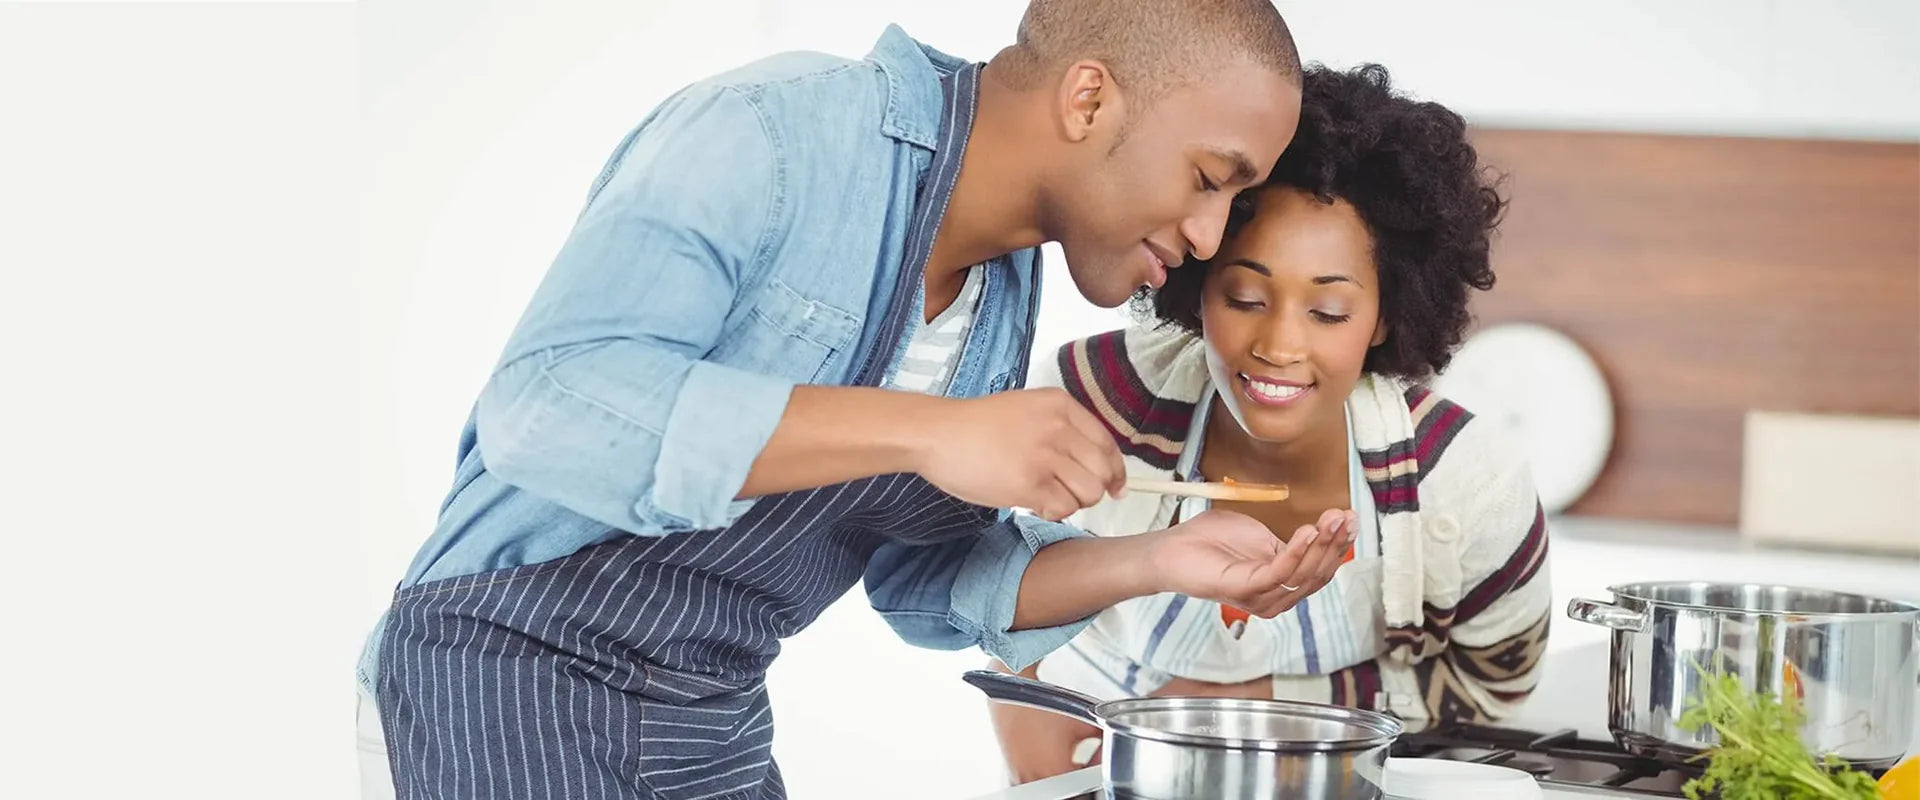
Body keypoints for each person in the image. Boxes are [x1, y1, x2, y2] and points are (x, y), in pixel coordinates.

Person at [354, 2, 1333, 799]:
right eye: (1210, 179)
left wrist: (1156, 557)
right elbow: (549, 404)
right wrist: (932, 432)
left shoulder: (1003, 292)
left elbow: (925, 581)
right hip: (502, 680)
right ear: (1089, 99)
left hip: (708, 722)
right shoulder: (776, 131)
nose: (1209, 236)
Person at [987, 63, 1553, 784]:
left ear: (1386, 315)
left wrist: (1241, 711)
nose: (1279, 346)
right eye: (1246, 297)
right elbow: (1006, 622)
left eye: (1328, 312)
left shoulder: (1464, 479)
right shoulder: (1094, 401)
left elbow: (1493, 689)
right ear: (1198, 280)